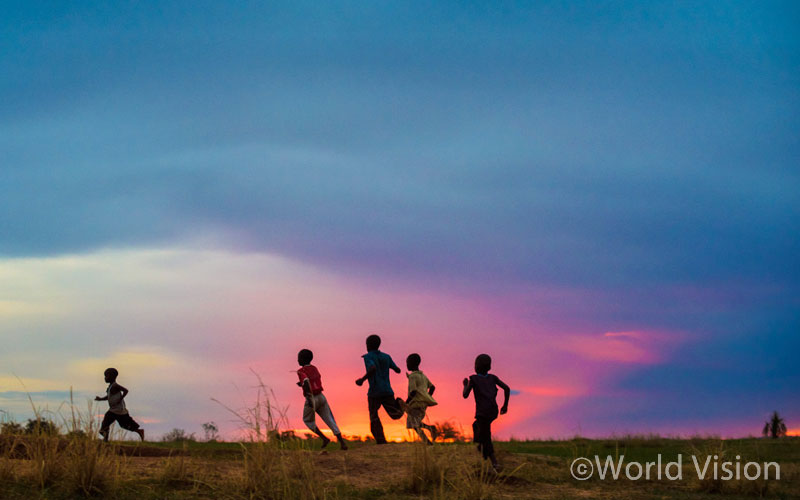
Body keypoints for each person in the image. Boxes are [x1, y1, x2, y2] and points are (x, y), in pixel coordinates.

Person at [462, 354, 510, 470]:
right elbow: (507, 388)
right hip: (493, 411)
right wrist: (505, 406)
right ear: (489, 367)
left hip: (482, 412)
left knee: (486, 436)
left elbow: (465, 395)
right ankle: (481, 447)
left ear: (476, 367)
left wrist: (465, 385)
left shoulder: (473, 379)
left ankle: (494, 463)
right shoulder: (493, 378)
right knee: (477, 426)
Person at [355, 334, 405, 444]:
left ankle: (380, 439)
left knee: (373, 415)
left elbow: (372, 368)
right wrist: (394, 368)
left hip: (374, 392)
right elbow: (397, 369)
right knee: (395, 414)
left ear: (368, 345)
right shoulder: (386, 357)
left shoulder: (368, 357)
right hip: (387, 390)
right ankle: (400, 404)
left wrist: (362, 380)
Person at [296, 348, 348, 450]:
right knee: (329, 419)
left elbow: (306, 381)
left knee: (308, 420)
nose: (297, 360)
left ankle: (324, 438)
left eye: (298, 358)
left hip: (311, 398)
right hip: (321, 396)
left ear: (302, 359)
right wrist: (302, 384)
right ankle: (342, 443)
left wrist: (309, 398)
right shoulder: (315, 368)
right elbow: (313, 380)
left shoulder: (301, 371)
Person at [95, 367, 144, 442]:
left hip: (118, 410)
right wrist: (100, 399)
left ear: (112, 377)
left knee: (111, 423)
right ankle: (138, 431)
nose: (105, 378)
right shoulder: (110, 387)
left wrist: (120, 399)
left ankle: (105, 439)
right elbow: (109, 397)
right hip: (114, 410)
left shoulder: (115, 385)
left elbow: (126, 390)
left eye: (106, 376)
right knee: (115, 424)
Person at [405, 353, 439, 444]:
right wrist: (427, 397)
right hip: (423, 404)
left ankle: (429, 433)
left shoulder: (412, 376)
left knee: (412, 424)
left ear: (412, 363)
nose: (407, 364)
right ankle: (427, 440)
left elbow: (413, 391)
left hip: (415, 403)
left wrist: (406, 402)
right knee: (415, 423)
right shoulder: (423, 376)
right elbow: (432, 387)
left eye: (407, 362)